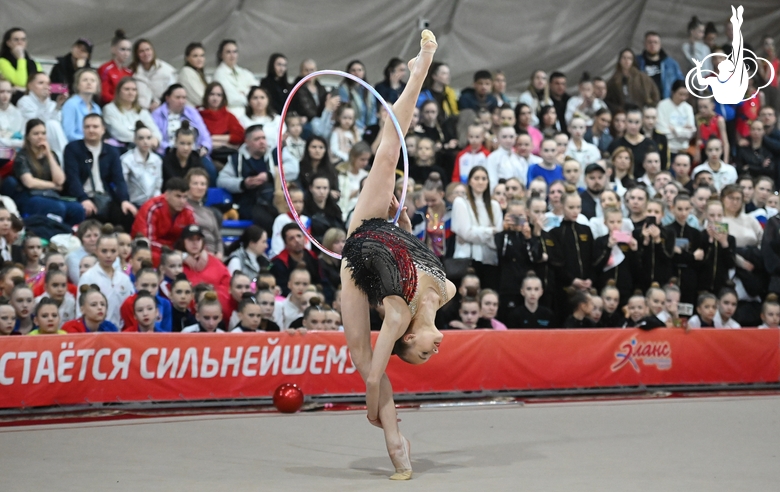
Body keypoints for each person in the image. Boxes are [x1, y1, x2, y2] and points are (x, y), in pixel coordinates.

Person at [337, 32, 458, 479]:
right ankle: (421, 67)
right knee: (389, 151)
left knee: (362, 356)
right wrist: (404, 227)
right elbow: (414, 253)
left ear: (410, 339)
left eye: (425, 355)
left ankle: (392, 440)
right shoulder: (447, 290)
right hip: (384, 232)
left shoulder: (396, 319)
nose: (435, 350)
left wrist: (372, 409)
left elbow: (373, 378)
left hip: (357, 252)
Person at [63, 114, 137, 230]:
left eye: (95, 126)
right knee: (86, 213)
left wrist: (124, 200)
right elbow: (73, 178)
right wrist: (83, 198)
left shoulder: (111, 151)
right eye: (87, 127)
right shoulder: (73, 148)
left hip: (104, 196)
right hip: (82, 196)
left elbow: (119, 179)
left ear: (103, 130)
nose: (91, 130)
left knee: (127, 213)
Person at [11, 119, 85, 226]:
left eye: (43, 133)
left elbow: (60, 180)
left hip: (51, 196)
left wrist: (49, 154)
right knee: (58, 208)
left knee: (78, 209)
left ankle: (67, 235)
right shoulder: (22, 156)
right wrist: (53, 186)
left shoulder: (52, 155)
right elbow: (29, 182)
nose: (40, 136)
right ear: (28, 136)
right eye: (36, 134)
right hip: (31, 196)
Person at [217, 125, 277, 230]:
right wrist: (243, 183)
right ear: (247, 142)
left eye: (263, 138)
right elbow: (221, 181)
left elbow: (293, 169)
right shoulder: (237, 159)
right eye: (257, 139)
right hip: (249, 202)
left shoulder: (274, 154)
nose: (262, 142)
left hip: (274, 199)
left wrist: (269, 175)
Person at [451, 166, 502, 289]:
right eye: (477, 178)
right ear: (470, 181)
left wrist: (474, 234)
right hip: (467, 260)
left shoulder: (494, 205)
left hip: (490, 260)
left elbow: (498, 236)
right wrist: (491, 230)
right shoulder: (460, 203)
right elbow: (467, 233)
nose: (480, 182)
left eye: (484, 178)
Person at [691, 6, 749, 105]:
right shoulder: (709, 78)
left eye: (721, 58)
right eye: (716, 58)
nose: (718, 60)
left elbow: (740, 101)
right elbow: (703, 96)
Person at [77, 225, 133, 328]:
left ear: (118, 252)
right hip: (95, 333)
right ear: (96, 251)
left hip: (120, 334)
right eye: (104, 251)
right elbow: (80, 310)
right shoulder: (87, 277)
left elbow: (129, 310)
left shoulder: (124, 279)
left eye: (113, 251)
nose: (108, 255)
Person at [131, 177, 195, 265]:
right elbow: (147, 242)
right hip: (147, 252)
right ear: (167, 195)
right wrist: (176, 254)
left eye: (185, 197)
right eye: (178, 196)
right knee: (148, 256)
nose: (182, 201)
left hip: (176, 253)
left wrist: (201, 252)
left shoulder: (188, 211)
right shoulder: (152, 208)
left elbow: (195, 237)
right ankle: (126, 271)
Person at [152, 84, 212, 158]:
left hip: (194, 153)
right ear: (167, 98)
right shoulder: (157, 114)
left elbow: (205, 135)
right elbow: (156, 138)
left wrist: (205, 147)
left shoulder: (192, 112)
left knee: (211, 169)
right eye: (177, 97)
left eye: (184, 98)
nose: (181, 101)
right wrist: (169, 149)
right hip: (168, 154)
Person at [16, 73, 68, 158]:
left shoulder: (52, 104)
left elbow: (58, 125)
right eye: (41, 83)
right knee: (52, 124)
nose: (45, 87)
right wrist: (46, 104)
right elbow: (35, 124)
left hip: (50, 139)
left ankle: (64, 157)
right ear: (30, 86)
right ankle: (66, 157)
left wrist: (58, 106)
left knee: (54, 124)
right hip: (31, 138)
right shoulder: (24, 101)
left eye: (48, 84)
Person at [178, 225, 231, 307]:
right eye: (190, 239)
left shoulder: (215, 262)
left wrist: (210, 296)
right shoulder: (177, 263)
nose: (195, 243)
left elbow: (227, 285)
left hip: (213, 306)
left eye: (198, 239)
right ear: (183, 241)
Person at [103, 77, 161, 148]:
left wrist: (155, 139)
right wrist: (144, 140)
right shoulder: (109, 109)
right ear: (118, 91)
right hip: (120, 147)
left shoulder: (142, 111)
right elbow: (118, 132)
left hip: (144, 147)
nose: (131, 93)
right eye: (126, 89)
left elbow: (154, 129)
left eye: (134, 90)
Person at [121, 122, 163, 207]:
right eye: (141, 138)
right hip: (133, 203)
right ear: (135, 140)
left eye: (148, 138)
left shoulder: (157, 160)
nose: (145, 141)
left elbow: (158, 185)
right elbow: (123, 184)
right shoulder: (126, 160)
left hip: (153, 203)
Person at [199, 81, 244, 161]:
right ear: (206, 96)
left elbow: (240, 136)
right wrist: (224, 143)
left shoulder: (229, 116)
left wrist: (213, 138)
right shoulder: (198, 115)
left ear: (223, 98)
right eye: (212, 94)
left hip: (225, 155)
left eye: (219, 95)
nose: (215, 98)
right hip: (204, 155)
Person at [608, 107, 659, 178]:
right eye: (630, 121)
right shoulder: (616, 144)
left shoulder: (650, 144)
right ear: (625, 122)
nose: (633, 126)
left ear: (642, 122)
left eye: (637, 122)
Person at [213, 40, 258, 118]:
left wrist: (243, 93)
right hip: (232, 115)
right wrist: (247, 92)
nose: (232, 55)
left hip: (250, 113)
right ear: (221, 55)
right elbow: (230, 99)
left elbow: (257, 91)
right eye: (228, 52)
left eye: (235, 52)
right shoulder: (219, 74)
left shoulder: (245, 72)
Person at [637, 31, 685, 100]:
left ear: (660, 45)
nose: (652, 45)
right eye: (649, 42)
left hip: (666, 102)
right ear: (644, 44)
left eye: (655, 42)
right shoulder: (637, 62)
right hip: (643, 102)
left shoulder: (671, 64)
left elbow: (680, 84)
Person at [656, 80, 696, 159]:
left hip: (683, 149)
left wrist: (674, 129)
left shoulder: (688, 108)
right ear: (673, 92)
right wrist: (682, 130)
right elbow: (661, 131)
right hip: (667, 149)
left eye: (686, 95)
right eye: (680, 94)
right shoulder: (662, 105)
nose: (683, 98)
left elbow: (691, 133)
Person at [239, 86, 285, 154]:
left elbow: (283, 139)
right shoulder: (243, 120)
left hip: (275, 154)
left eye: (262, 97)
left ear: (268, 99)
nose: (259, 101)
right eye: (255, 98)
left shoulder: (278, 119)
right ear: (249, 101)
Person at [61, 68, 101, 142]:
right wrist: (89, 140)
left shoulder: (96, 108)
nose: (89, 83)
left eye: (93, 80)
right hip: (76, 146)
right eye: (85, 80)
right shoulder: (71, 104)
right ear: (78, 85)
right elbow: (69, 134)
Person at [338, 60, 376, 134]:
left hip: (368, 127)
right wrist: (361, 126)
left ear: (364, 72)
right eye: (353, 70)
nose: (356, 73)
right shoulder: (344, 89)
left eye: (359, 70)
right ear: (348, 72)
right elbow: (345, 110)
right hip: (352, 127)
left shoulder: (369, 90)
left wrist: (371, 127)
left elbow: (373, 110)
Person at [0, 28, 42, 95]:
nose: (20, 42)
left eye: (23, 39)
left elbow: (41, 84)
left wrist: (25, 89)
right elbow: (21, 82)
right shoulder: (2, 62)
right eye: (16, 40)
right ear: (8, 43)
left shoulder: (34, 63)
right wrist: (20, 58)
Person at [98, 30, 133, 104]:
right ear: (113, 49)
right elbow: (104, 95)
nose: (126, 53)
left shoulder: (128, 72)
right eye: (122, 49)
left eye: (129, 50)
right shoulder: (105, 69)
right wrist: (121, 102)